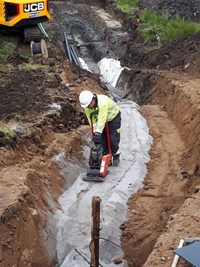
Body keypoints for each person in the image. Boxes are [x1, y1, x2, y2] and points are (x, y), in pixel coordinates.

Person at [79, 90, 121, 166]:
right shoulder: (87, 107)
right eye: (86, 106)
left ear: (92, 100)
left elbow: (102, 118)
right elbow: (92, 120)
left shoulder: (102, 102)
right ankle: (106, 157)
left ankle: (116, 155)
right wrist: (95, 133)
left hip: (113, 117)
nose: (88, 107)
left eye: (88, 105)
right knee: (102, 140)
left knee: (113, 138)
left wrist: (98, 132)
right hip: (101, 119)